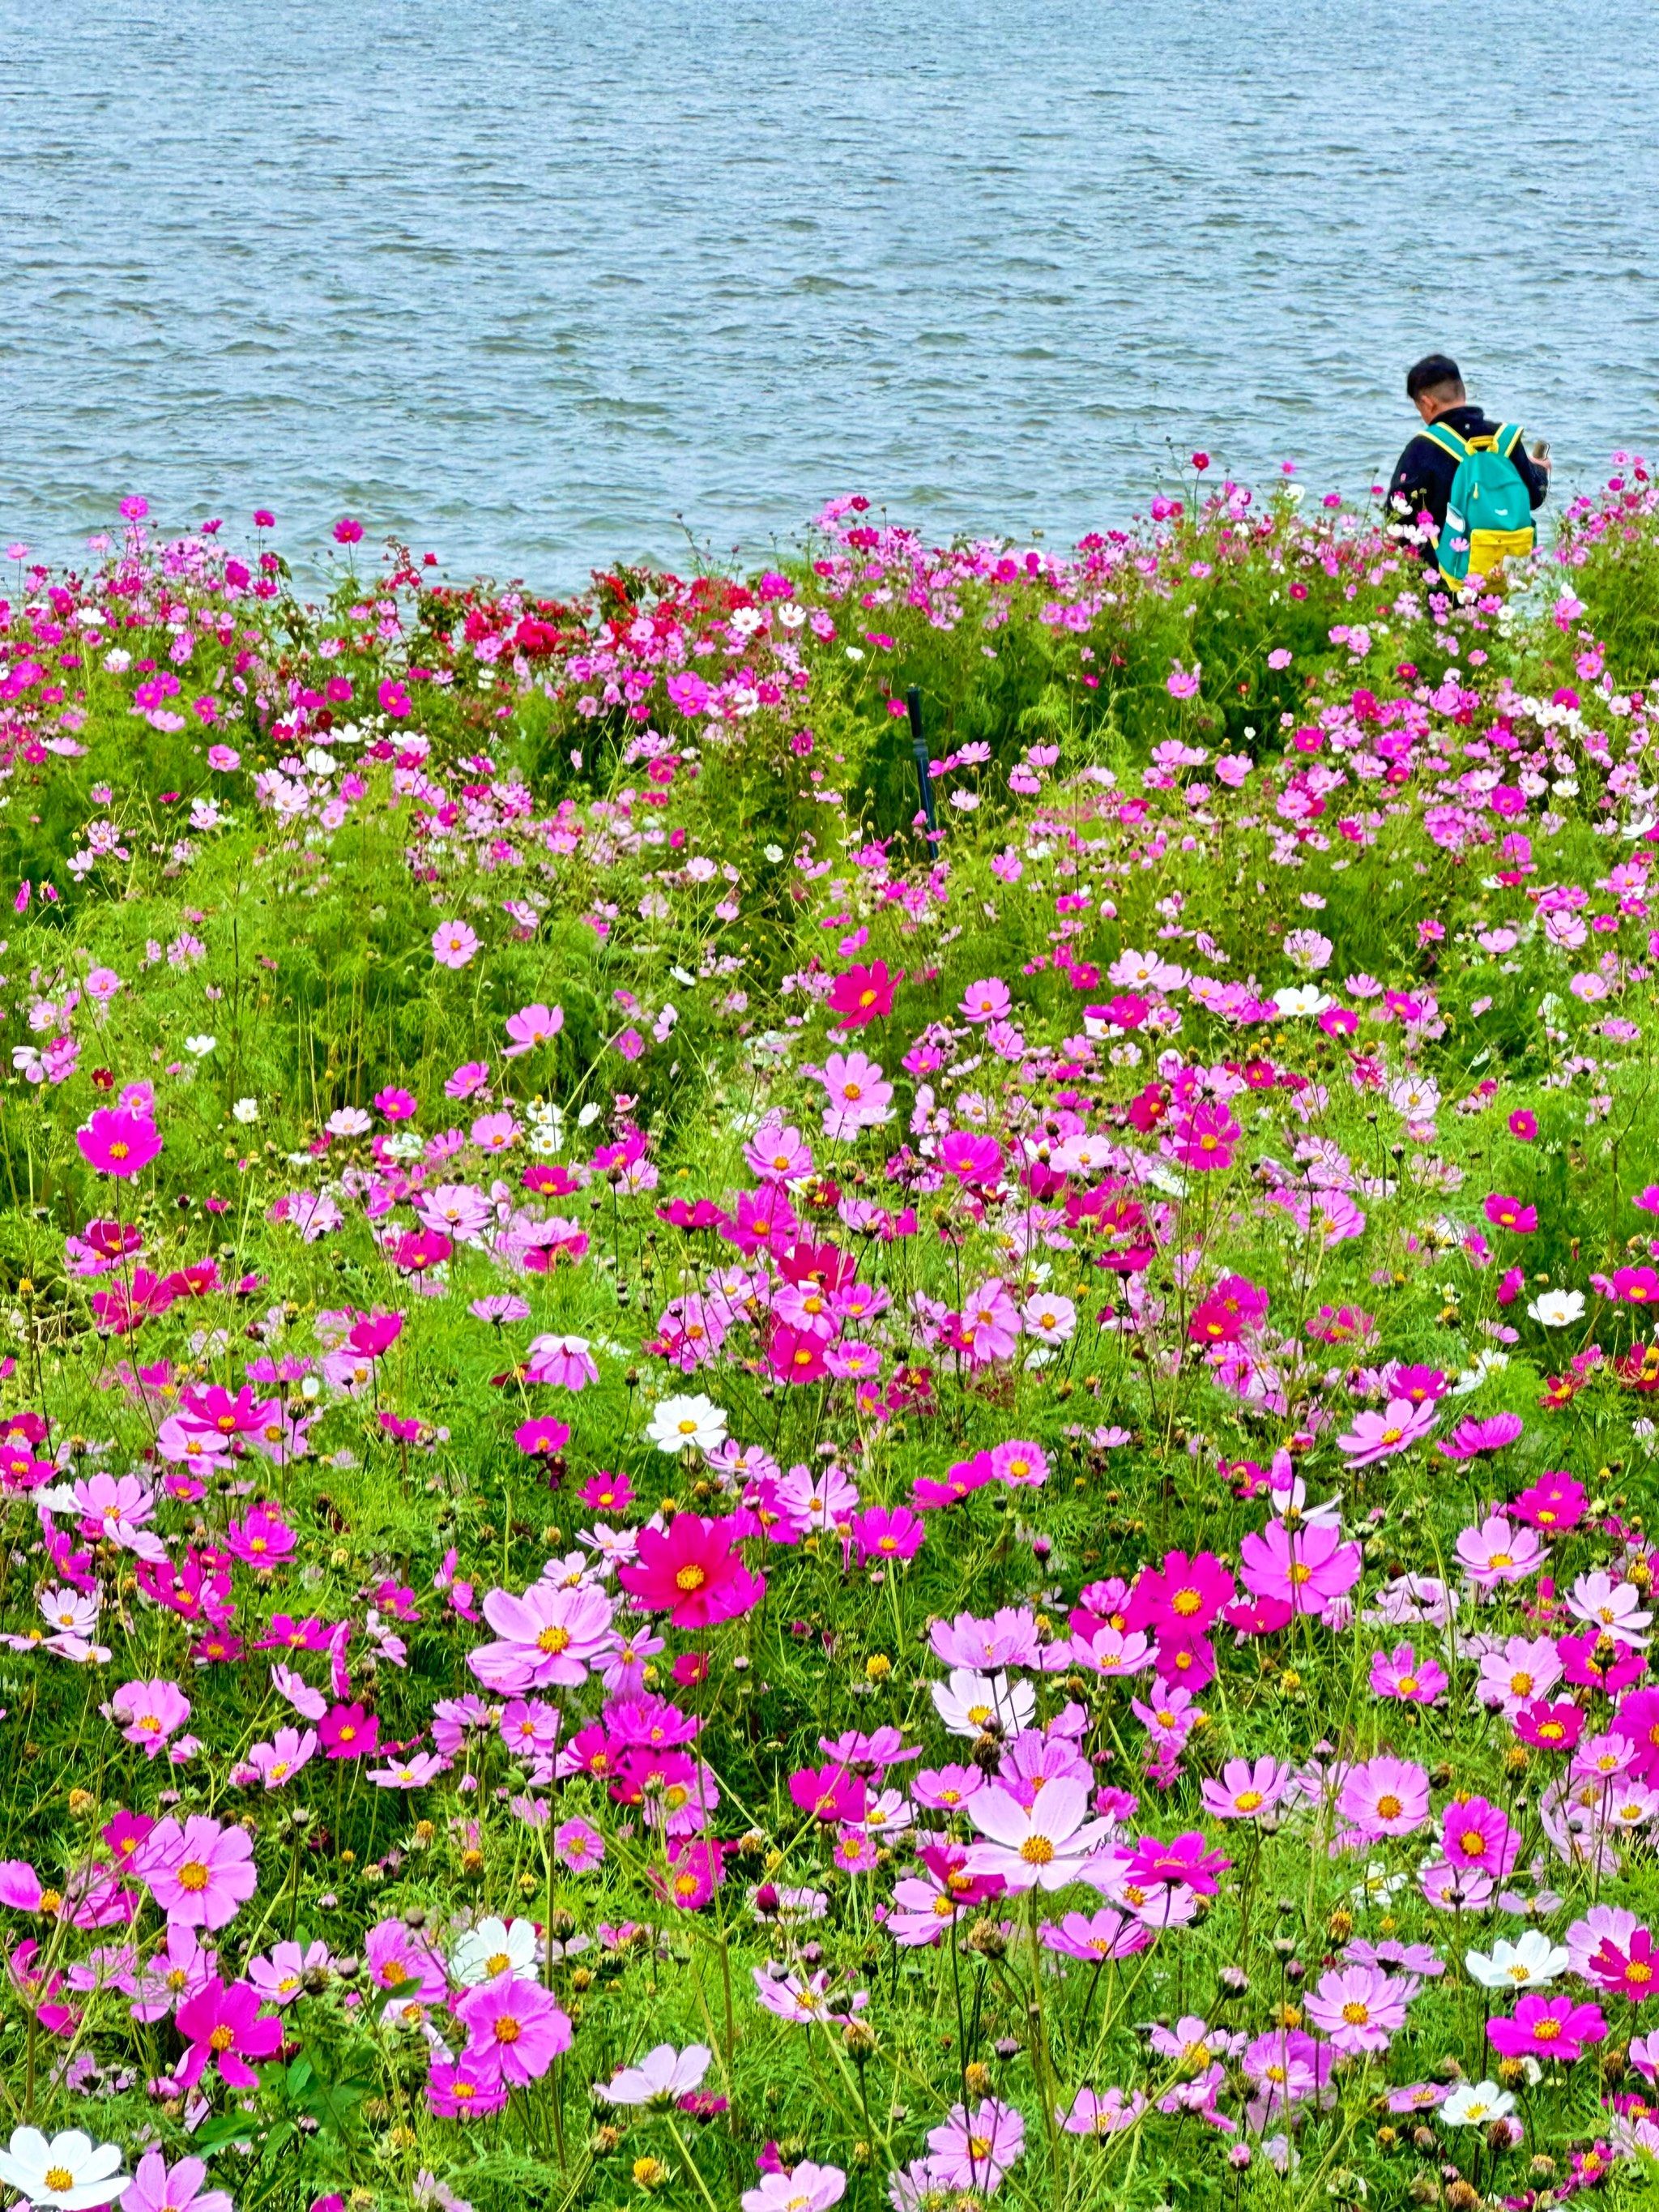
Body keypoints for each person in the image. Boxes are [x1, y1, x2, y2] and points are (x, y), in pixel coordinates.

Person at [1387, 354, 1550, 568]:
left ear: (1427, 403)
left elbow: (1396, 517)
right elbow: (1534, 497)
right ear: (1462, 390)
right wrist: (1540, 471)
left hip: (1444, 576)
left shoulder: (1422, 448)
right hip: (1502, 572)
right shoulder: (1505, 439)